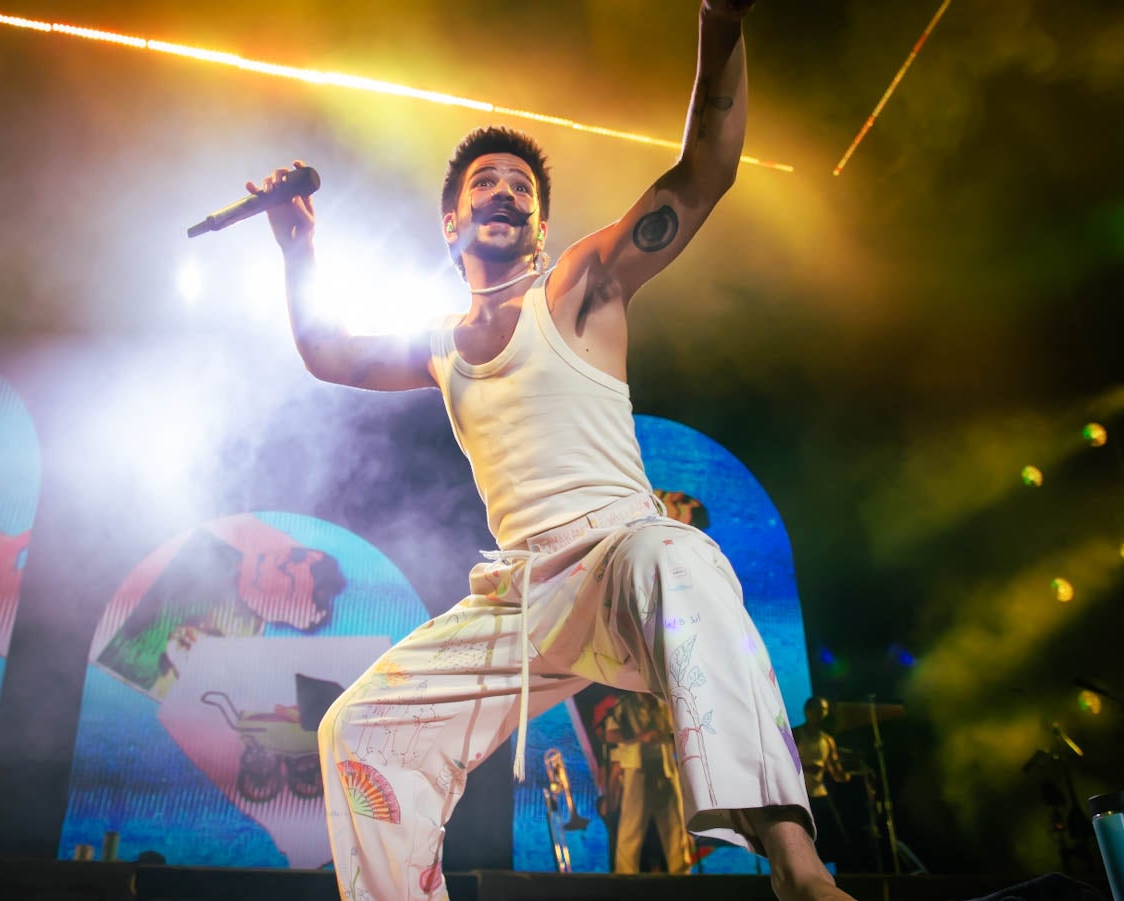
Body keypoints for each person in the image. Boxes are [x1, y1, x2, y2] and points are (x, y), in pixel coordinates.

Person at [252, 2, 853, 898]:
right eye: (485, 183)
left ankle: (799, 870)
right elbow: (325, 352)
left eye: (522, 189)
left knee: (679, 555)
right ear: (451, 224)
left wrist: (720, 26)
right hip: (522, 598)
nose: (505, 192)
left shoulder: (579, 286)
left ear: (539, 227)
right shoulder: (437, 342)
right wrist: (298, 246)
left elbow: (703, 175)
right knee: (357, 729)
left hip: (619, 553)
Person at [602, 690, 694, 875]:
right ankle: (625, 878)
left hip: (665, 770)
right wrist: (640, 738)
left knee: (676, 827)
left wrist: (666, 737)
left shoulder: (664, 704)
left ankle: (682, 876)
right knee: (632, 828)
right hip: (637, 771)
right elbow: (610, 735)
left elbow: (676, 734)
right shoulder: (624, 705)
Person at [792, 697, 854, 870]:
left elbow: (834, 769)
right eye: (818, 709)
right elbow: (783, 764)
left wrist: (844, 775)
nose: (821, 714)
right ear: (808, 711)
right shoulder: (796, 735)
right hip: (800, 797)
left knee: (834, 839)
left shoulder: (827, 740)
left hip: (820, 794)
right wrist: (806, 768)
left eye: (824, 710)